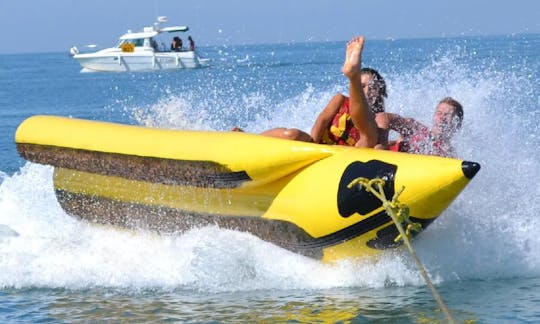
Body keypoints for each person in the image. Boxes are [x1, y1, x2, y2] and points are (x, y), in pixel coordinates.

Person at [237, 36, 382, 148]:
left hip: (347, 158)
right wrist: (314, 145)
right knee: (292, 135)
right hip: (321, 149)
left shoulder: (380, 119)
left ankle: (353, 75)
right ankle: (250, 139)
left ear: (380, 92)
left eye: (372, 87)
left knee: (369, 138)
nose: (368, 91)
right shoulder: (340, 100)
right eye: (362, 86)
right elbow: (321, 121)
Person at [380, 97, 464, 157]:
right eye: (439, 113)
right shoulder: (417, 129)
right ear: (434, 116)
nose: (442, 118)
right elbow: (384, 118)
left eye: (448, 115)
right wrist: (382, 145)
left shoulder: (450, 155)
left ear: (457, 124)